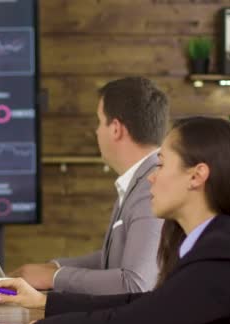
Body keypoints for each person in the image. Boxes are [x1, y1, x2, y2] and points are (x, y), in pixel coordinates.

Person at [0, 117, 230, 324]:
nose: (152, 178)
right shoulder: (215, 244)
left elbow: (138, 321)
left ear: (196, 175)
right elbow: (146, 304)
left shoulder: (225, 253)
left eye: (162, 165)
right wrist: (43, 303)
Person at [11, 77, 168, 294]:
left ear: (115, 129)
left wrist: (55, 277)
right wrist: (54, 267)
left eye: (99, 121)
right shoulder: (137, 180)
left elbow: (135, 283)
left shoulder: (151, 187)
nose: (96, 132)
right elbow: (113, 258)